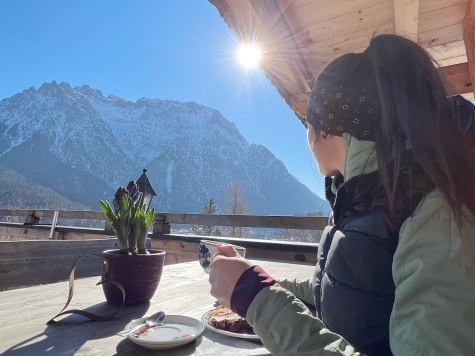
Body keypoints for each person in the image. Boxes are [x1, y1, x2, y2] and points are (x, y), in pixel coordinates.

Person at [208, 34, 475, 355]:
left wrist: (256, 298)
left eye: (308, 119)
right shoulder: (366, 200)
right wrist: (258, 281)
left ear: (326, 129)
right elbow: (345, 292)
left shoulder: (436, 213)